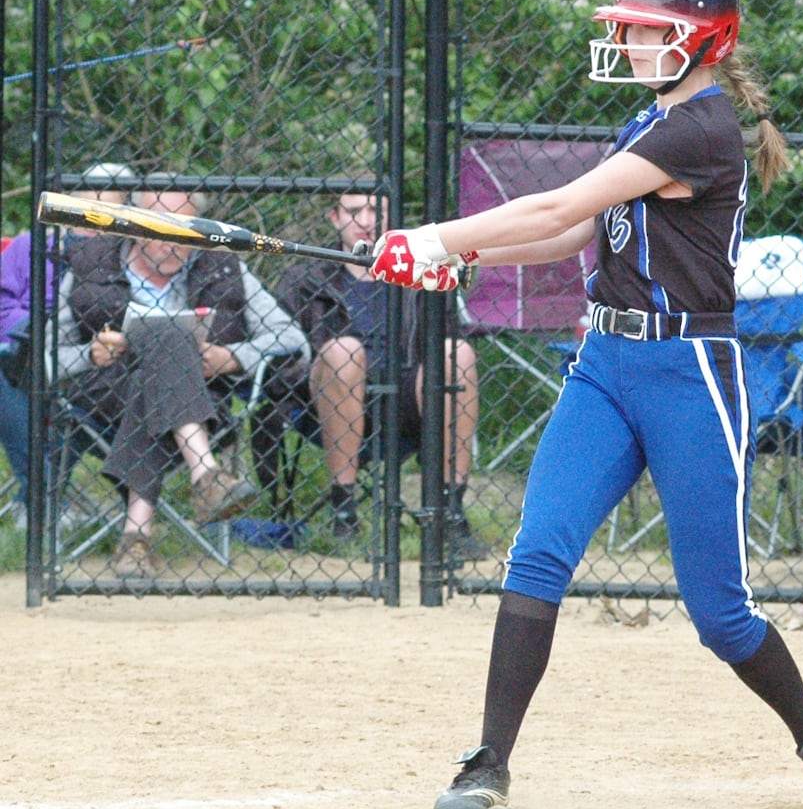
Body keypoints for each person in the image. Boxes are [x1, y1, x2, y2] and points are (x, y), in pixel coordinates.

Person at [362, 0, 803, 809]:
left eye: (648, 30)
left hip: (689, 375)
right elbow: (571, 239)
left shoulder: (702, 128)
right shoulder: (646, 124)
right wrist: (457, 260)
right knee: (539, 552)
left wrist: (440, 237)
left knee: (719, 614)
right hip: (606, 366)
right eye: (631, 29)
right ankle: (489, 760)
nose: (632, 42)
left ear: (703, 39)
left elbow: (561, 207)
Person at [54, 181, 306, 578]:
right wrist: (90, 353)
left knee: (156, 370)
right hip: (106, 394)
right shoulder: (92, 267)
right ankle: (205, 474)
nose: (173, 243)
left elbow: (292, 340)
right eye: (160, 232)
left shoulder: (223, 265)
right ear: (134, 228)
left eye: (185, 231)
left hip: (202, 396)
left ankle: (136, 536)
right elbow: (46, 358)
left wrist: (232, 357)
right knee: (169, 338)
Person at [270, 189, 488, 559]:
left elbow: (448, 332)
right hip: (329, 400)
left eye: (376, 211)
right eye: (355, 211)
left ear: (392, 218)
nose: (367, 221)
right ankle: (344, 510)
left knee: (458, 353)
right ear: (334, 218)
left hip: (413, 396)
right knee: (344, 351)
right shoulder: (306, 277)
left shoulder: (423, 270)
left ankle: (450, 512)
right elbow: (281, 356)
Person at [1, 163, 138, 523]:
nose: (90, 223)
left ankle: (35, 500)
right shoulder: (29, 246)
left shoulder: (124, 262)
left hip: (80, 362)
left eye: (104, 213)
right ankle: (43, 498)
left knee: (64, 398)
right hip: (17, 351)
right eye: (85, 206)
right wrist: (34, 328)